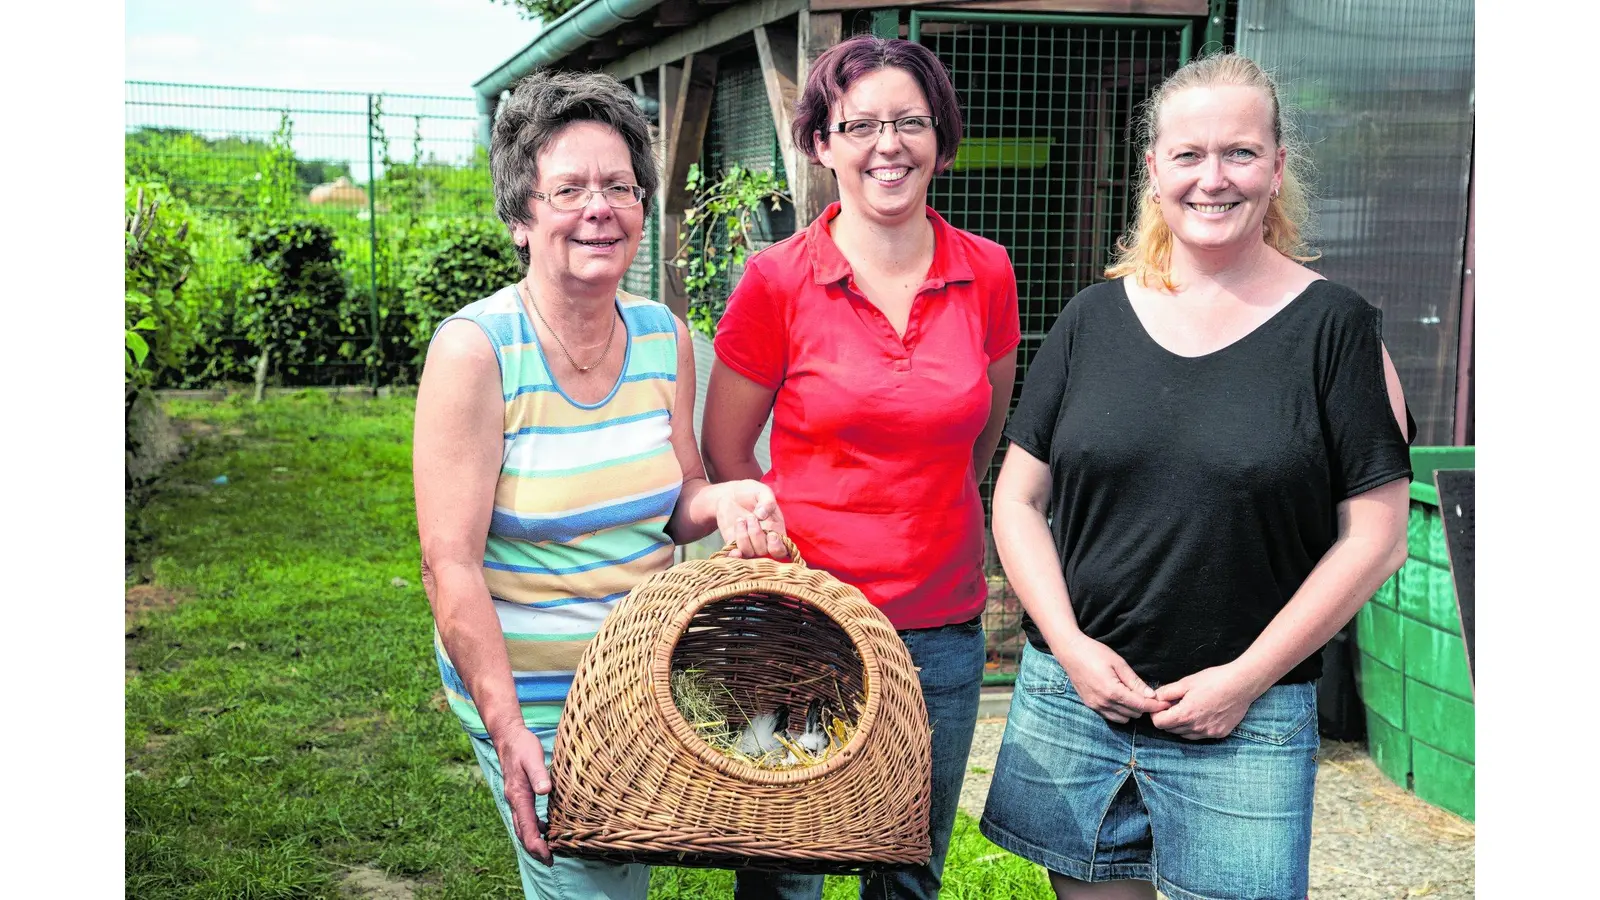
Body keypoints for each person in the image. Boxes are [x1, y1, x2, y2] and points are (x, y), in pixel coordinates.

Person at [978, 52, 1414, 900]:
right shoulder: (1092, 318)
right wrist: (1069, 649)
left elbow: (1379, 537)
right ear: (1154, 171)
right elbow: (1018, 500)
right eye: (1188, 156)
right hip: (1080, 703)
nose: (1213, 179)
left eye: (1240, 153)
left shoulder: (1335, 330)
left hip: (1245, 722)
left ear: (1278, 166)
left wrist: (1244, 679)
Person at [411, 69, 788, 900]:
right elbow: (450, 566)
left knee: (621, 869)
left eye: (620, 186)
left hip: (638, 675)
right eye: (569, 188)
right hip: (529, 683)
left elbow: (677, 500)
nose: (599, 207)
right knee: (594, 882)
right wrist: (509, 729)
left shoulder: (665, 337)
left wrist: (722, 499)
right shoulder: (477, 352)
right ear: (521, 216)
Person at [702, 35, 1021, 900]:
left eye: (911, 122)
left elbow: (978, 439)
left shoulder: (987, 272)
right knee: (783, 870)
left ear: (941, 140)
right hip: (803, 618)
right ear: (822, 143)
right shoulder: (775, 281)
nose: (889, 145)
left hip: (941, 627)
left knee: (909, 870)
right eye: (862, 124)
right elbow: (728, 456)